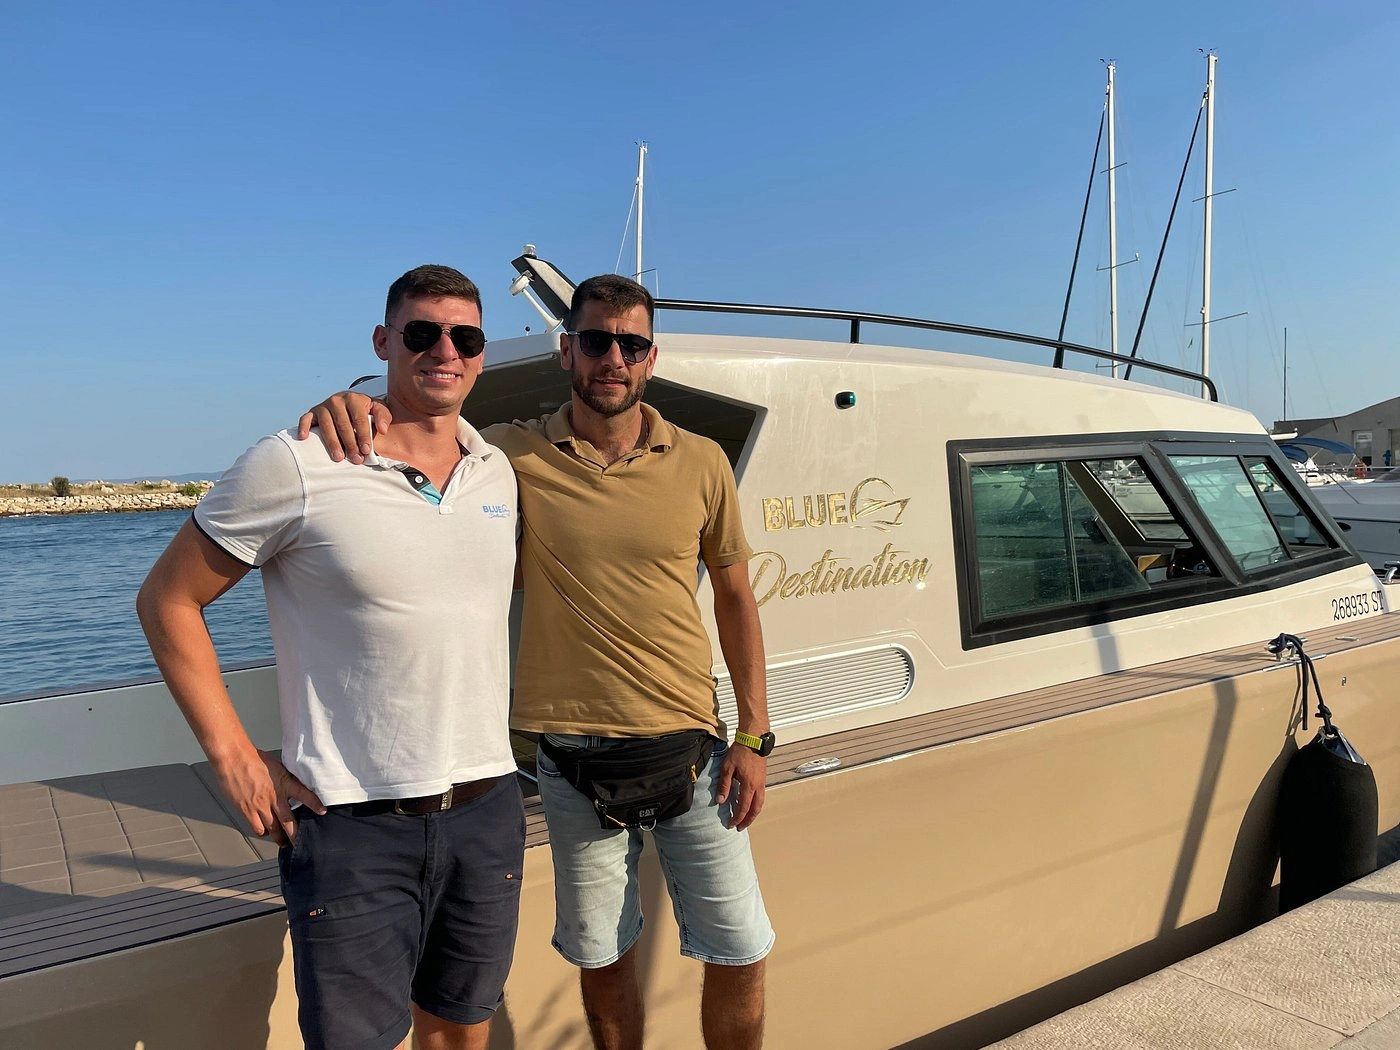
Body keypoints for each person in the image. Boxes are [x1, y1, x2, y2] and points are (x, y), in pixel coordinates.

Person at [299, 273, 775, 1050]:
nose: (611, 359)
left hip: (696, 748)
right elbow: (424, 427)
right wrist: (354, 405)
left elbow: (735, 600)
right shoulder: (512, 456)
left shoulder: (702, 462)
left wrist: (754, 735)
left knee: (742, 950)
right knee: (602, 956)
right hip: (569, 756)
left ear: (651, 358)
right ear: (568, 352)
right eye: (594, 342)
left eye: (630, 344)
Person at [138, 265, 523, 1050]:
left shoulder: (499, 471)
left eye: (465, 337)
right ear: (383, 343)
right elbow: (167, 600)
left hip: (487, 810)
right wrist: (236, 758)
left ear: (481, 356)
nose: (444, 350)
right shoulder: (300, 462)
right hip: (352, 826)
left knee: (461, 1033)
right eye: (421, 333)